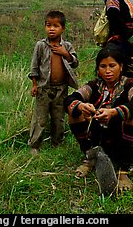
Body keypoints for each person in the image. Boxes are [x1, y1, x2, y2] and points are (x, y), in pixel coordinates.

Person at [64, 43, 133, 195]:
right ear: (98, 69)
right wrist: (81, 106)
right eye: (103, 66)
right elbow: (70, 99)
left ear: (121, 66)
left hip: (123, 138)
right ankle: (90, 157)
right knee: (74, 113)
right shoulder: (94, 85)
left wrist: (114, 112)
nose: (108, 71)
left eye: (112, 65)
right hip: (100, 136)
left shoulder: (130, 85)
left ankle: (124, 170)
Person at [27, 10, 79, 155]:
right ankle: (35, 144)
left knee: (58, 117)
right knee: (40, 118)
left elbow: (75, 63)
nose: (51, 29)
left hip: (61, 89)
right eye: (48, 25)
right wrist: (34, 84)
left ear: (63, 28)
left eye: (56, 26)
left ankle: (57, 142)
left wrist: (65, 54)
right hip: (44, 88)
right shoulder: (41, 45)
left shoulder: (67, 46)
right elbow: (34, 66)